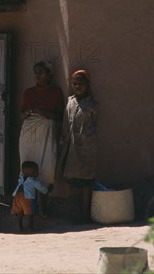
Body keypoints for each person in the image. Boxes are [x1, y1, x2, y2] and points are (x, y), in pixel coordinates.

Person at [18, 60, 64, 215]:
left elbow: (58, 116)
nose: (37, 75)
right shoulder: (28, 93)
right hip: (29, 135)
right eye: (35, 72)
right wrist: (30, 111)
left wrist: (43, 112)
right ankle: (29, 207)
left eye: (41, 72)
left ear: (49, 74)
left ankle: (44, 207)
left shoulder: (55, 93)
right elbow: (22, 115)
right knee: (28, 168)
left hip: (47, 134)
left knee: (46, 168)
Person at [58, 70, 98, 224]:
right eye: (74, 83)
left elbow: (96, 125)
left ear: (87, 85)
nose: (77, 86)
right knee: (72, 178)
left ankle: (85, 213)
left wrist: (87, 139)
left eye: (80, 83)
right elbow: (64, 123)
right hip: (70, 145)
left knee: (86, 180)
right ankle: (75, 212)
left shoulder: (92, 105)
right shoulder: (70, 102)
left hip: (86, 148)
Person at [11, 161, 49, 232]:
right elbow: (41, 188)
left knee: (20, 212)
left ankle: (19, 226)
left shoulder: (21, 179)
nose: (38, 172)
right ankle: (30, 227)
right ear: (34, 173)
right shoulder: (32, 181)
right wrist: (47, 190)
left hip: (17, 197)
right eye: (37, 171)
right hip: (26, 198)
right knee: (30, 213)